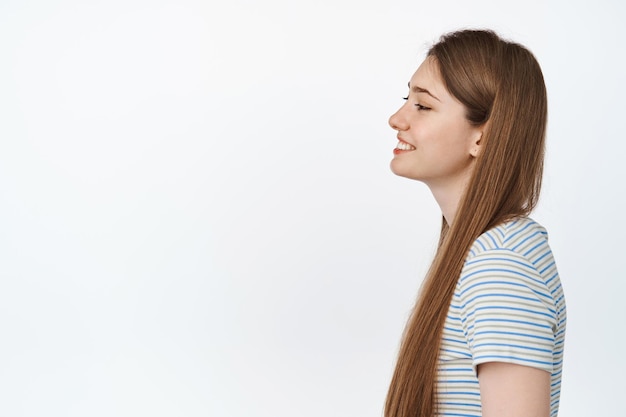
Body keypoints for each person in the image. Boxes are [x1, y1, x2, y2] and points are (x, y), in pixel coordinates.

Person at [385, 29, 566, 417]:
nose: (396, 118)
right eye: (406, 99)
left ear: (482, 138)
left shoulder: (500, 261)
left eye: (423, 106)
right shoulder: (484, 251)